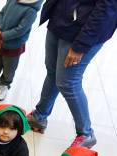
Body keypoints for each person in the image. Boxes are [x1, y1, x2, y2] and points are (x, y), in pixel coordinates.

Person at [26, 0, 117, 147]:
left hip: (80, 32)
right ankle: (39, 116)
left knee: (68, 82)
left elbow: (106, 12)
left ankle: (86, 133)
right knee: (52, 72)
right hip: (59, 20)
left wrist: (81, 45)